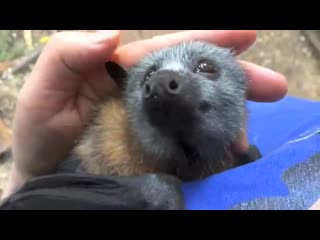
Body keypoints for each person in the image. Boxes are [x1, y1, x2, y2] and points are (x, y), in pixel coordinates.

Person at [1, 30, 290, 206]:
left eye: (205, 67)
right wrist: (27, 175)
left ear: (241, 90)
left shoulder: (238, 157)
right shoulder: (104, 156)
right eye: (148, 78)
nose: (164, 82)